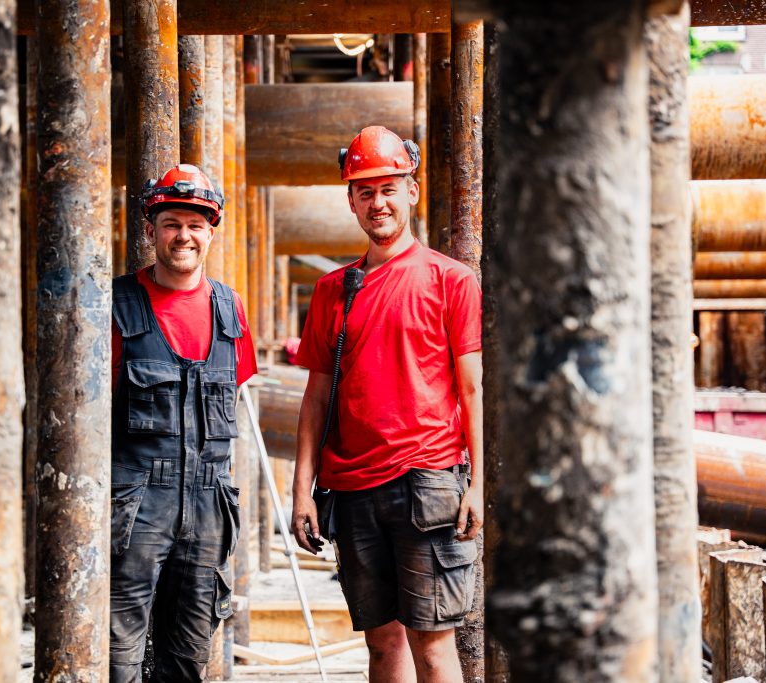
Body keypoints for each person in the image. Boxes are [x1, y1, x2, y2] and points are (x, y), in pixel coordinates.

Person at [291, 126, 484, 683]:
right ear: (351, 200)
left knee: (433, 644)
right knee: (382, 647)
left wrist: (476, 485)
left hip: (427, 482)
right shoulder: (333, 291)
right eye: (366, 191)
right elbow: (316, 396)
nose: (379, 202)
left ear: (411, 192)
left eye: (389, 188)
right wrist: (302, 489)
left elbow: (471, 387)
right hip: (353, 490)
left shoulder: (451, 280)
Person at [109, 164, 257, 682]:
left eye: (196, 225)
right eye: (172, 223)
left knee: (187, 656)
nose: (184, 235)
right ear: (150, 230)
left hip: (209, 505)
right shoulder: (117, 305)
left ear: (211, 232)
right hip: (135, 505)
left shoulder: (229, 310)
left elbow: (234, 393)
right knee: (118, 653)